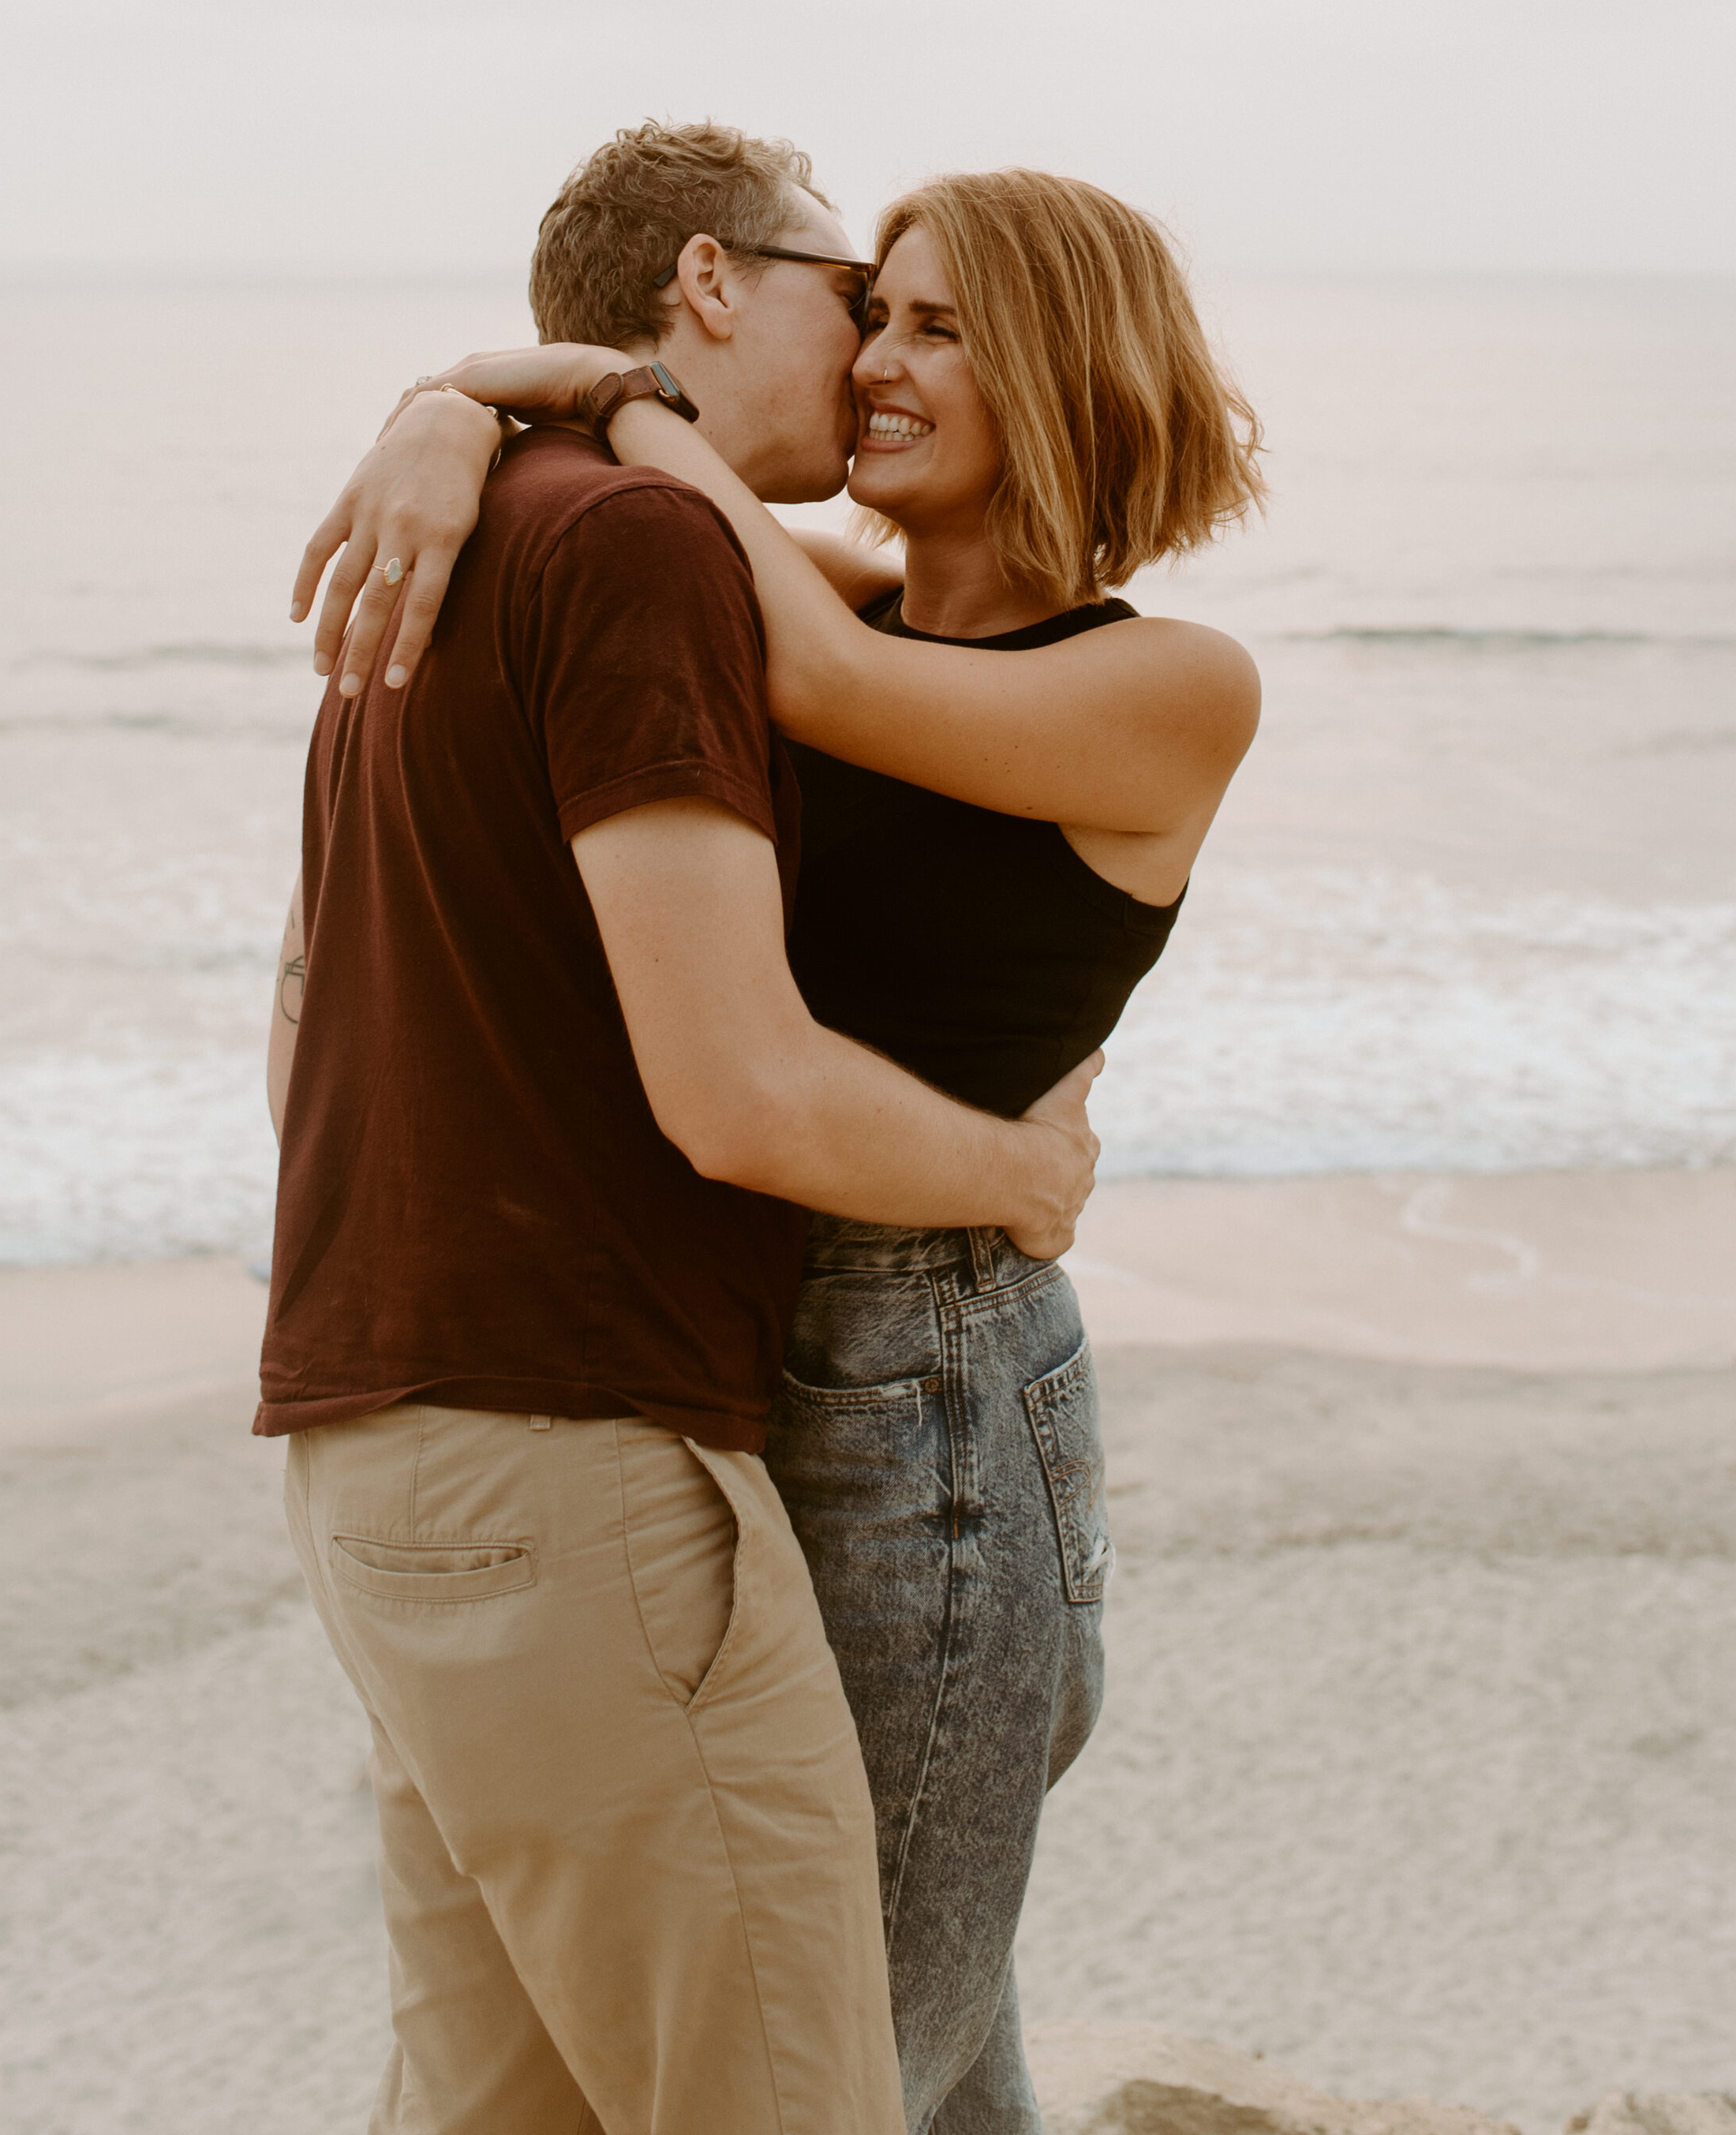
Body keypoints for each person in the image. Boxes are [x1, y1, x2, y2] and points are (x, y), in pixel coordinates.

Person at [301, 159, 1263, 2135]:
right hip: (730, 1358)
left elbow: (806, 672)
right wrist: (452, 409)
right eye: (877, 312)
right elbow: (697, 567)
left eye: (940, 327)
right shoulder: (817, 580)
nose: (885, 366)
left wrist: (614, 404)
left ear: (1067, 369)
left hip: (932, 1381)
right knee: (866, 2026)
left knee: (859, 2049)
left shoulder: (1166, 682)